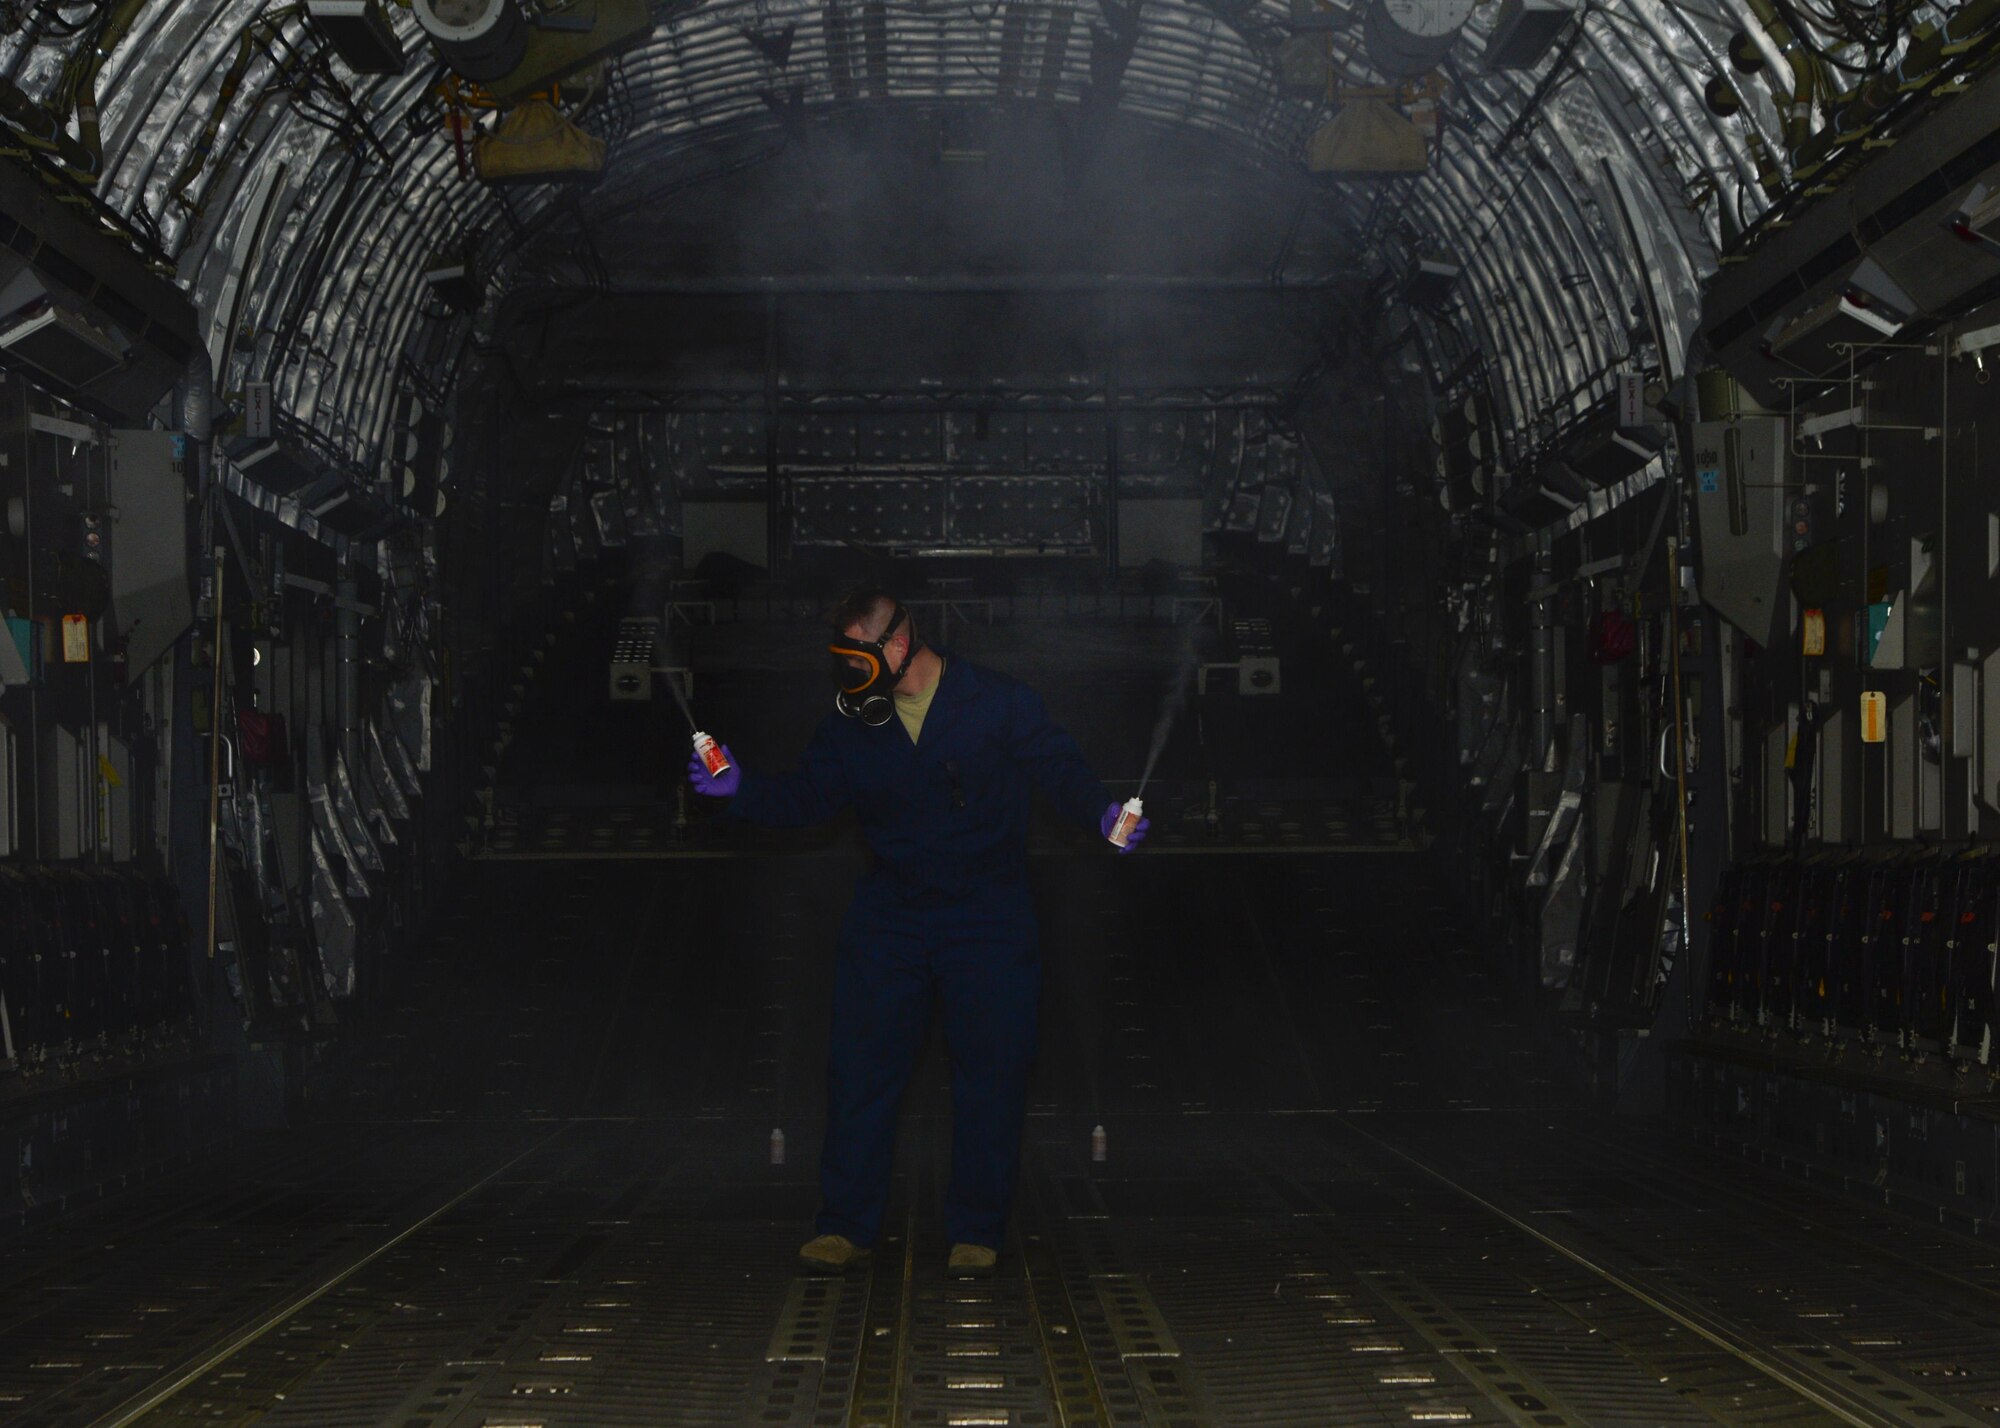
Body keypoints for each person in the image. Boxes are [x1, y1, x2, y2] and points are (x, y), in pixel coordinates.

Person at [686, 587, 1149, 1280]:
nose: (845, 674)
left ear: (896, 645)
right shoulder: (853, 726)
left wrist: (1106, 814)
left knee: (990, 1074)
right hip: (892, 912)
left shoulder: (998, 702)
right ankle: (844, 1226)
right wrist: (741, 789)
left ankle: (977, 1230)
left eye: (855, 657)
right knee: (861, 1070)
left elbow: (1061, 769)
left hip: (987, 915)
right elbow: (807, 797)